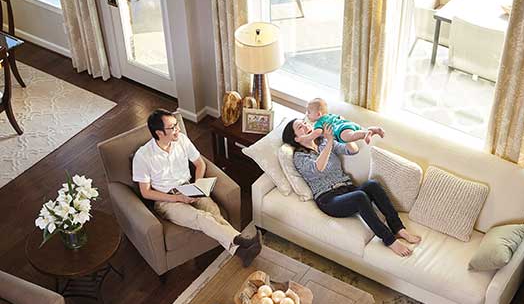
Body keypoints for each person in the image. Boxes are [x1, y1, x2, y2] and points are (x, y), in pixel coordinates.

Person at [132, 109, 261, 267]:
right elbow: (146, 192)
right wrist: (179, 198)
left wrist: (197, 185)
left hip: (190, 187)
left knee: (214, 213)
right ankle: (241, 241)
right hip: (168, 200)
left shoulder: (182, 140)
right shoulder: (143, 156)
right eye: (172, 127)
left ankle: (242, 252)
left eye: (177, 124)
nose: (177, 129)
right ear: (159, 132)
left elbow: (200, 163)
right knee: (201, 217)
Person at [282, 118, 421, 257]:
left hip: (347, 188)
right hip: (328, 198)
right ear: (297, 138)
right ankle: (389, 240)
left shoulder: (323, 141)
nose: (306, 126)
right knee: (360, 197)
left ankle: (398, 228)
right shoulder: (299, 157)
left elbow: (352, 150)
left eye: (305, 122)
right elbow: (318, 168)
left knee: (372, 184)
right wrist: (330, 141)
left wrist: (341, 132)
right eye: (301, 127)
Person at [297, 98, 385, 145]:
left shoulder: (319, 123)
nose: (307, 115)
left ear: (318, 114)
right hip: (348, 124)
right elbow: (341, 118)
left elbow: (315, 133)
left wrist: (303, 138)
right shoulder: (330, 116)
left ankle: (366, 133)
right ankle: (372, 130)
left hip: (341, 130)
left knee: (350, 136)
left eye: (309, 112)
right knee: (358, 131)